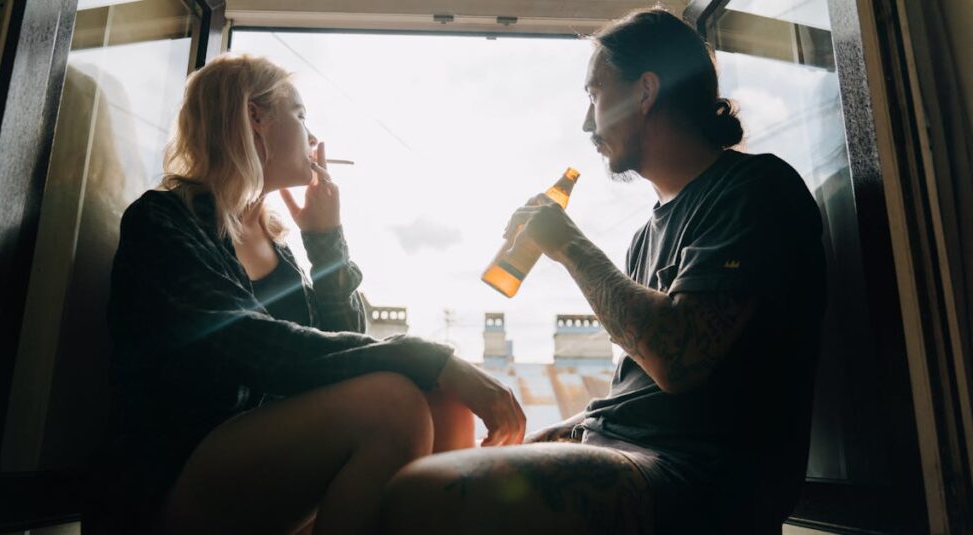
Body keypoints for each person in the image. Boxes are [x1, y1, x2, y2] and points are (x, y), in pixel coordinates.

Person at [379, 8, 826, 535]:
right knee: (440, 440)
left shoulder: (754, 190)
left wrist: (568, 243)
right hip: (635, 454)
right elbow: (640, 397)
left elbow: (678, 360)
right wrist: (566, 432)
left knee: (425, 493)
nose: (587, 124)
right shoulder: (645, 237)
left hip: (701, 481)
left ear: (645, 92)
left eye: (594, 94)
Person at [97, 53, 526, 535]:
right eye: (301, 115)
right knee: (392, 403)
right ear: (254, 117)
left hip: (249, 468)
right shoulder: (163, 221)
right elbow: (252, 346)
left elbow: (337, 365)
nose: (314, 138)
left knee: (440, 399)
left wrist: (326, 247)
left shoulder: (273, 245)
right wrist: (429, 355)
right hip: (168, 484)